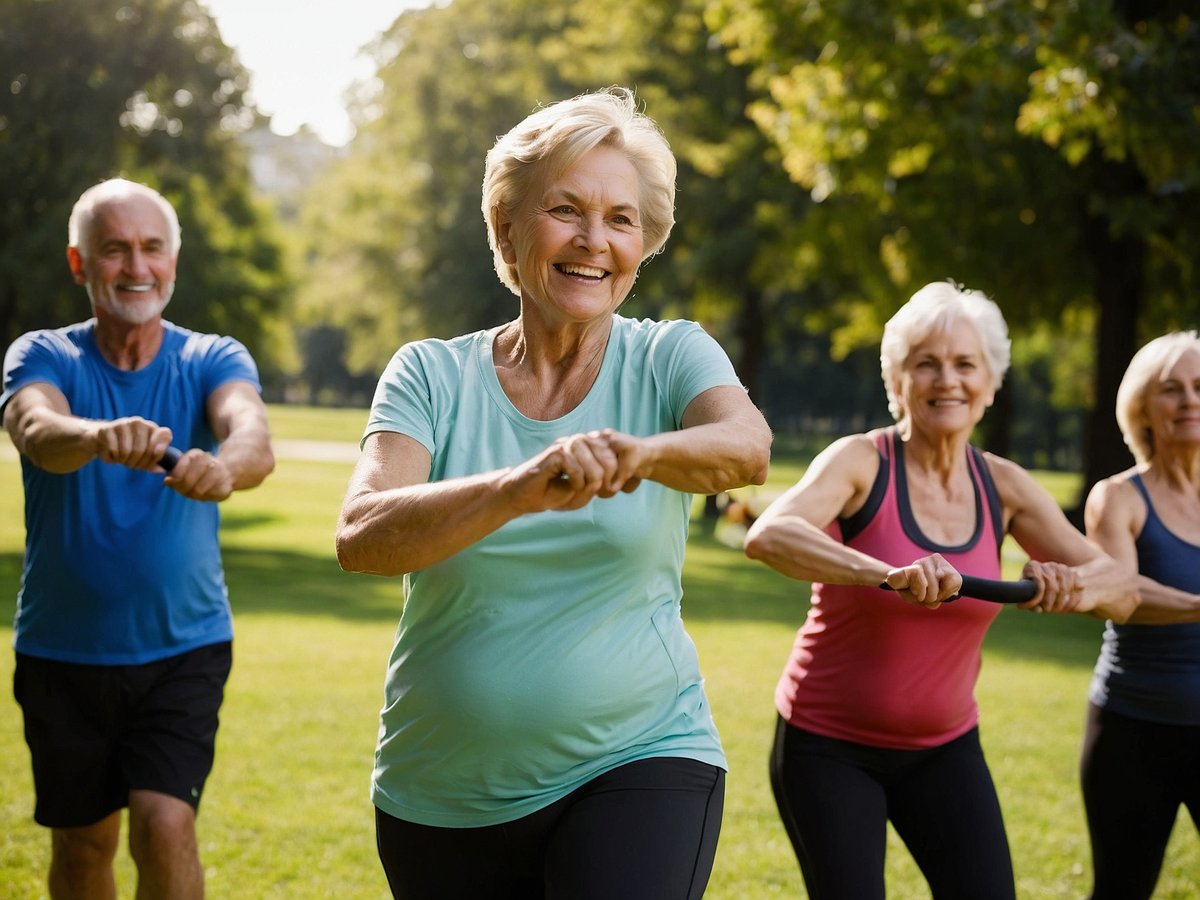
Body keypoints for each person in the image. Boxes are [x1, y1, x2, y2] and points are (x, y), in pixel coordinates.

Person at [335, 87, 771, 900]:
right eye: (565, 210)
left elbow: (746, 450)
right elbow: (363, 535)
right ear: (506, 227)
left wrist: (635, 454)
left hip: (641, 755)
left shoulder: (671, 356)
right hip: (442, 792)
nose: (593, 241)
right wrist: (518, 488)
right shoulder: (430, 374)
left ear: (644, 242)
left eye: (621, 219)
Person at [742, 281, 1139, 900]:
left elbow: (1122, 591)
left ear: (989, 382)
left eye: (964, 364)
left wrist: (1073, 585)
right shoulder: (860, 462)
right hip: (829, 747)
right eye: (926, 364)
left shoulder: (1004, 486)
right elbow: (770, 535)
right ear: (898, 381)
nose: (945, 380)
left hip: (945, 748)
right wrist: (888, 573)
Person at [1, 178, 275, 900]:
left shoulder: (209, 356)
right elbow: (36, 431)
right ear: (78, 263)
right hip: (62, 652)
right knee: (85, 845)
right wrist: (96, 435)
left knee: (164, 824)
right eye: (115, 249)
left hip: (182, 650)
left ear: (173, 262)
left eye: (152, 248)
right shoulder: (45, 355)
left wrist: (224, 467)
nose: (136, 266)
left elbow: (250, 432)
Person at [1081, 330, 1200, 900]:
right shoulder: (1119, 497)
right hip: (1135, 726)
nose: (1189, 401)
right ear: (1144, 408)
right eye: (1172, 390)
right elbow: (1116, 595)